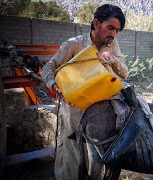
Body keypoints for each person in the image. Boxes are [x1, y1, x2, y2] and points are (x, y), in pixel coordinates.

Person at [40, 4, 128, 180]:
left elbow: (124, 73)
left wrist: (112, 61)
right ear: (96, 23)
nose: (113, 34)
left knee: (97, 151)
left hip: (100, 108)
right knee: (72, 151)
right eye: (110, 28)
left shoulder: (112, 45)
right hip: (74, 107)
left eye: (117, 30)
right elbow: (47, 69)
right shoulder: (74, 44)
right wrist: (57, 88)